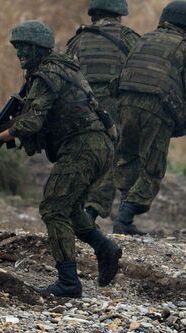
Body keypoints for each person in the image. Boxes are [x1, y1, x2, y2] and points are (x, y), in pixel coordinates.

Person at [0, 20, 122, 298]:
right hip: (99, 145)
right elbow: (41, 120)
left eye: (25, 48)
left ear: (39, 48)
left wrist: (1, 137)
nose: (20, 54)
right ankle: (105, 248)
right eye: (17, 48)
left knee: (53, 208)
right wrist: (8, 132)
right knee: (68, 208)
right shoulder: (64, 67)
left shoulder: (46, 74)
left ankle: (69, 283)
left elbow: (32, 121)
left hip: (83, 146)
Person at [112, 0, 186, 235]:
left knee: (128, 157)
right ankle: (125, 217)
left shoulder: (143, 40)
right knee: (152, 165)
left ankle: (124, 214)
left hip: (124, 103)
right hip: (156, 108)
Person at [66, 0, 140, 222]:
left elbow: (65, 72)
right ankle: (92, 209)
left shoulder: (78, 40)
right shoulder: (129, 38)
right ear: (119, 15)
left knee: (83, 154)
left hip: (81, 104)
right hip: (114, 105)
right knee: (111, 156)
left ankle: (76, 205)